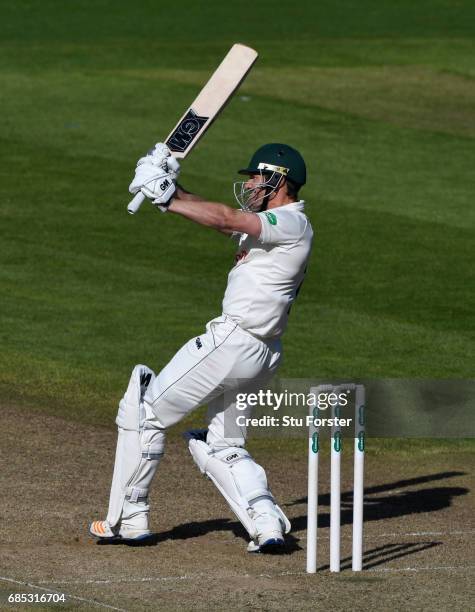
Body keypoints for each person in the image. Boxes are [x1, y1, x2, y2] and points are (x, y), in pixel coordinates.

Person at [89, 143, 314, 553]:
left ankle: (130, 517)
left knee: (145, 413)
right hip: (264, 353)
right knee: (223, 444)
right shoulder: (276, 223)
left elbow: (225, 218)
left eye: (255, 177)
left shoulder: (289, 222)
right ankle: (267, 526)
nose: (248, 184)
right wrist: (169, 186)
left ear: (278, 180)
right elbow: (222, 218)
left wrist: (168, 197)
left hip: (232, 343)